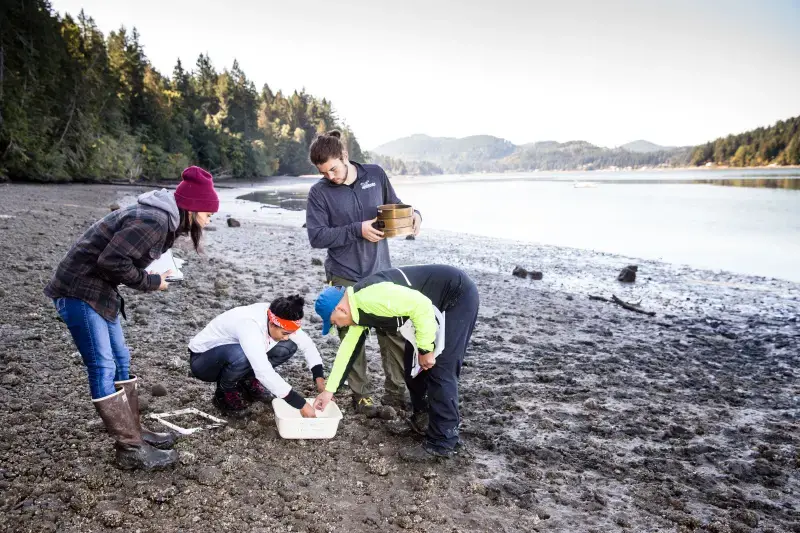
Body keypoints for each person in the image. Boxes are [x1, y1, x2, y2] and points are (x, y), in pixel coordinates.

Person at [45, 166, 219, 470]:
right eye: (208, 210)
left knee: (121, 360)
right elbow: (110, 260)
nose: (211, 216)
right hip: (79, 291)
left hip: (101, 291)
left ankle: (136, 432)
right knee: (103, 365)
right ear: (191, 206)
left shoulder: (164, 219)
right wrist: (150, 282)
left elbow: (119, 258)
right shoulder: (154, 220)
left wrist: (150, 275)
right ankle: (129, 448)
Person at [305, 130, 422, 414]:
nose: (330, 176)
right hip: (344, 274)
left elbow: (396, 207)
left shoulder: (375, 174)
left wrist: (415, 215)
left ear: (344, 156)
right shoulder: (319, 193)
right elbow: (317, 237)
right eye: (324, 172)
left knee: (393, 333)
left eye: (333, 168)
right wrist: (357, 230)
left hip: (381, 271)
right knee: (352, 333)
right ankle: (362, 396)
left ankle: (395, 393)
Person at [313, 264, 480, 462]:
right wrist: (329, 390)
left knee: (440, 368)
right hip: (428, 310)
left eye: (334, 322)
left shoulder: (370, 298)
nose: (337, 327)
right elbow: (347, 351)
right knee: (412, 368)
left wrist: (426, 349)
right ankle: (424, 418)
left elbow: (421, 305)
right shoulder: (357, 308)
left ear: (340, 308)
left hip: (455, 296)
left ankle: (443, 442)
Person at [188, 295, 326, 418]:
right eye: (285, 333)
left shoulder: (280, 316)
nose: (287, 337)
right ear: (272, 324)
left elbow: (307, 345)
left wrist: (319, 381)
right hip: (203, 362)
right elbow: (264, 371)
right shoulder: (249, 325)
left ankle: (248, 381)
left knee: (288, 346)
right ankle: (224, 393)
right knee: (242, 355)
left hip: (233, 355)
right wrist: (301, 404)